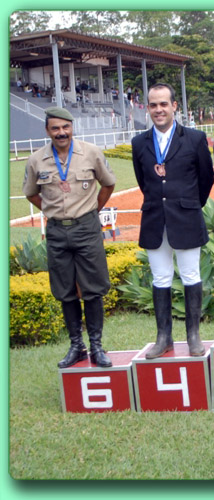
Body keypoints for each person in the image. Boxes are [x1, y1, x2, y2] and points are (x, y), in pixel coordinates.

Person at [22, 107, 116, 369]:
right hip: (57, 231)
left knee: (94, 288)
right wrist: (52, 211)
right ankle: (77, 345)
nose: (61, 133)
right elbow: (31, 193)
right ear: (47, 131)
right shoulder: (37, 160)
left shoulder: (91, 153)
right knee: (64, 290)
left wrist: (92, 210)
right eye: (55, 128)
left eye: (65, 127)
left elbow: (108, 184)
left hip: (86, 228)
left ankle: (96, 346)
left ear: (72, 127)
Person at [131, 82, 214, 359]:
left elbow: (205, 179)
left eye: (163, 104)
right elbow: (143, 181)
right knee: (160, 278)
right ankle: (163, 336)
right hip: (155, 218)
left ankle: (193, 335)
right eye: (153, 105)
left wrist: (190, 205)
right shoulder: (139, 142)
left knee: (191, 275)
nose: (158, 110)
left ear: (174, 106)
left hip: (187, 216)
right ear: (148, 108)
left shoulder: (194, 138)